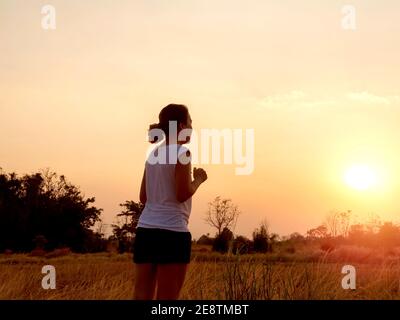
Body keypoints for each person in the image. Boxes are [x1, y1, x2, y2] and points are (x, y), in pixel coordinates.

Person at [133, 103, 208, 300]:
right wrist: (198, 179)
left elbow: (143, 197)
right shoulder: (182, 153)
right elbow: (182, 194)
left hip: (145, 230)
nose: (193, 127)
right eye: (191, 121)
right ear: (182, 126)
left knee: (141, 294)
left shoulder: (152, 155)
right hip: (172, 232)